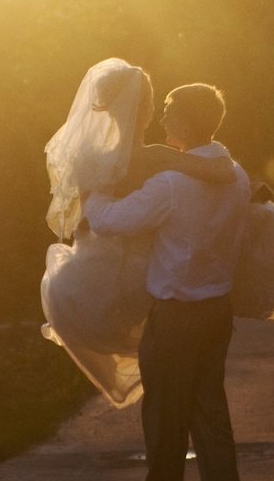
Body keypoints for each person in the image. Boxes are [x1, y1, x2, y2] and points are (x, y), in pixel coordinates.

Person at [82, 82, 257, 481]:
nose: (161, 121)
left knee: (163, 418)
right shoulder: (235, 175)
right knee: (211, 417)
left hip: (177, 315)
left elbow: (112, 220)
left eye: (167, 112)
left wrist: (91, 190)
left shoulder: (172, 185)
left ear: (184, 123)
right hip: (217, 311)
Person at [39, 61, 237, 407]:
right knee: (188, 386)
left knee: (162, 382)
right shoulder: (155, 158)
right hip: (151, 277)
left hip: (97, 277)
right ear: (144, 109)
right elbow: (220, 172)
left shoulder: (88, 158)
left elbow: (80, 224)